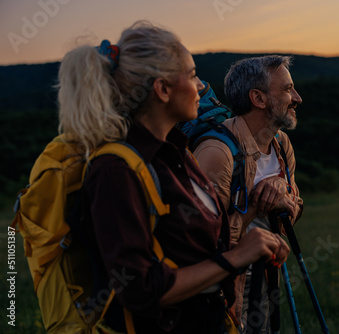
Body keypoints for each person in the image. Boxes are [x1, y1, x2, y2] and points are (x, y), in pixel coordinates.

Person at [57, 21, 290, 333]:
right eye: (192, 75)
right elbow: (141, 289)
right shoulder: (115, 170)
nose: (201, 87)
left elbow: (192, 249)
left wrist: (255, 245)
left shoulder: (178, 153)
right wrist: (234, 259)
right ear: (162, 89)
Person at [193, 55, 304, 333]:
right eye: (288, 89)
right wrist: (257, 204)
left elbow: (295, 205)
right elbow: (203, 243)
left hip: (266, 275)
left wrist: (283, 194)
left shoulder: (281, 144)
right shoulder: (217, 154)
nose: (297, 98)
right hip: (222, 287)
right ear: (259, 98)